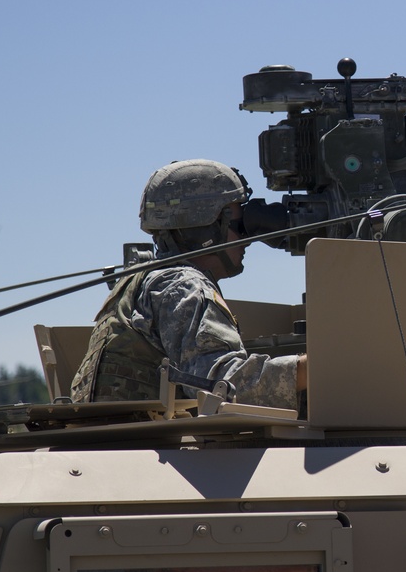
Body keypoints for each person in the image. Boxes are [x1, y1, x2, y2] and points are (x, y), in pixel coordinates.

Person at [70, 159, 306, 409]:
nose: (247, 238)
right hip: (149, 442)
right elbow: (219, 386)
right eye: (238, 226)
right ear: (207, 230)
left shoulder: (142, 281)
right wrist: (313, 367)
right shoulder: (183, 285)